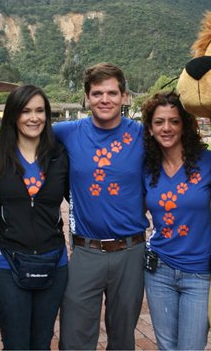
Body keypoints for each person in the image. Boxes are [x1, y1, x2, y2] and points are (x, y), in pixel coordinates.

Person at [55, 62, 149, 350]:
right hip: (86, 251)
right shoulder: (67, 132)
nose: (104, 99)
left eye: (111, 92)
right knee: (74, 338)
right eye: (97, 93)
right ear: (87, 97)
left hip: (130, 251)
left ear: (124, 96)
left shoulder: (144, 135)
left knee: (122, 338)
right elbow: (23, 133)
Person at [0, 85, 69, 350]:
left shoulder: (60, 155)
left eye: (39, 111)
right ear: (13, 115)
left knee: (42, 342)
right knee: (15, 344)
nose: (33, 118)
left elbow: (83, 198)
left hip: (53, 259)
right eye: (25, 111)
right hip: (7, 262)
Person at [141, 91, 211, 350]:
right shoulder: (147, 168)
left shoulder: (210, 163)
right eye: (159, 122)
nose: (166, 128)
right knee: (167, 347)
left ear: (185, 125)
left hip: (200, 273)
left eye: (174, 121)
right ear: (150, 129)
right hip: (159, 270)